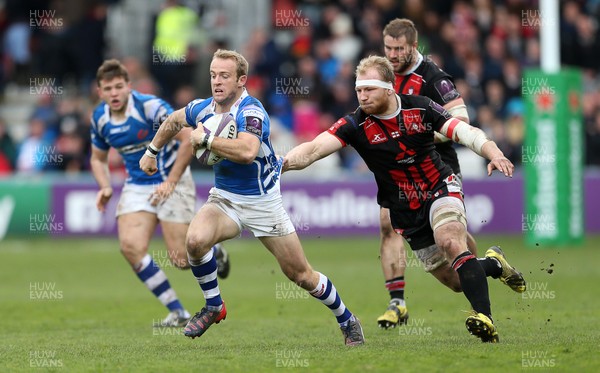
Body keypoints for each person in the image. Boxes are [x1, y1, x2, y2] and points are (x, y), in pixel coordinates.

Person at [283, 55, 526, 342]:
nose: (362, 96)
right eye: (359, 90)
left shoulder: (420, 108)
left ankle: (484, 318)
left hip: (439, 187)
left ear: (388, 87)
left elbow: (463, 131)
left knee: (450, 239)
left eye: (369, 89)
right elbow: (312, 149)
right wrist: (280, 164)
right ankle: (495, 264)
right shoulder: (355, 124)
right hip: (404, 210)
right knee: (456, 281)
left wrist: (493, 151)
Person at [139, 49, 364, 346]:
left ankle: (347, 319)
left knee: (301, 275)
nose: (216, 82)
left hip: (263, 202)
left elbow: (246, 152)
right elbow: (174, 120)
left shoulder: (252, 112)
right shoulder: (204, 107)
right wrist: (152, 151)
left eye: (224, 76)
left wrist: (206, 139)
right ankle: (214, 306)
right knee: (194, 241)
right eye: (213, 75)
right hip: (225, 199)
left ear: (241, 80)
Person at [90, 59, 230, 327]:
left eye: (119, 86)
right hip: (138, 185)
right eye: (108, 89)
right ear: (100, 92)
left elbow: (188, 139)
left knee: (180, 259)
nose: (114, 93)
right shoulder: (99, 118)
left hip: (171, 178)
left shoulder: (150, 107)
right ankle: (178, 312)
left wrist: (171, 182)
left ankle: (214, 248)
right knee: (130, 247)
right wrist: (105, 186)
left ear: (129, 86)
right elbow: (98, 159)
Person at [375, 18, 482, 329]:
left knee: (452, 255)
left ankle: (485, 266)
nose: (392, 55)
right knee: (387, 223)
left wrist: (422, 133)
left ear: (413, 46)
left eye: (399, 49)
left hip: (436, 164)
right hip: (396, 169)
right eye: (388, 48)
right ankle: (397, 302)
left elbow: (461, 118)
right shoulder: (382, 74)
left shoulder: (433, 77)